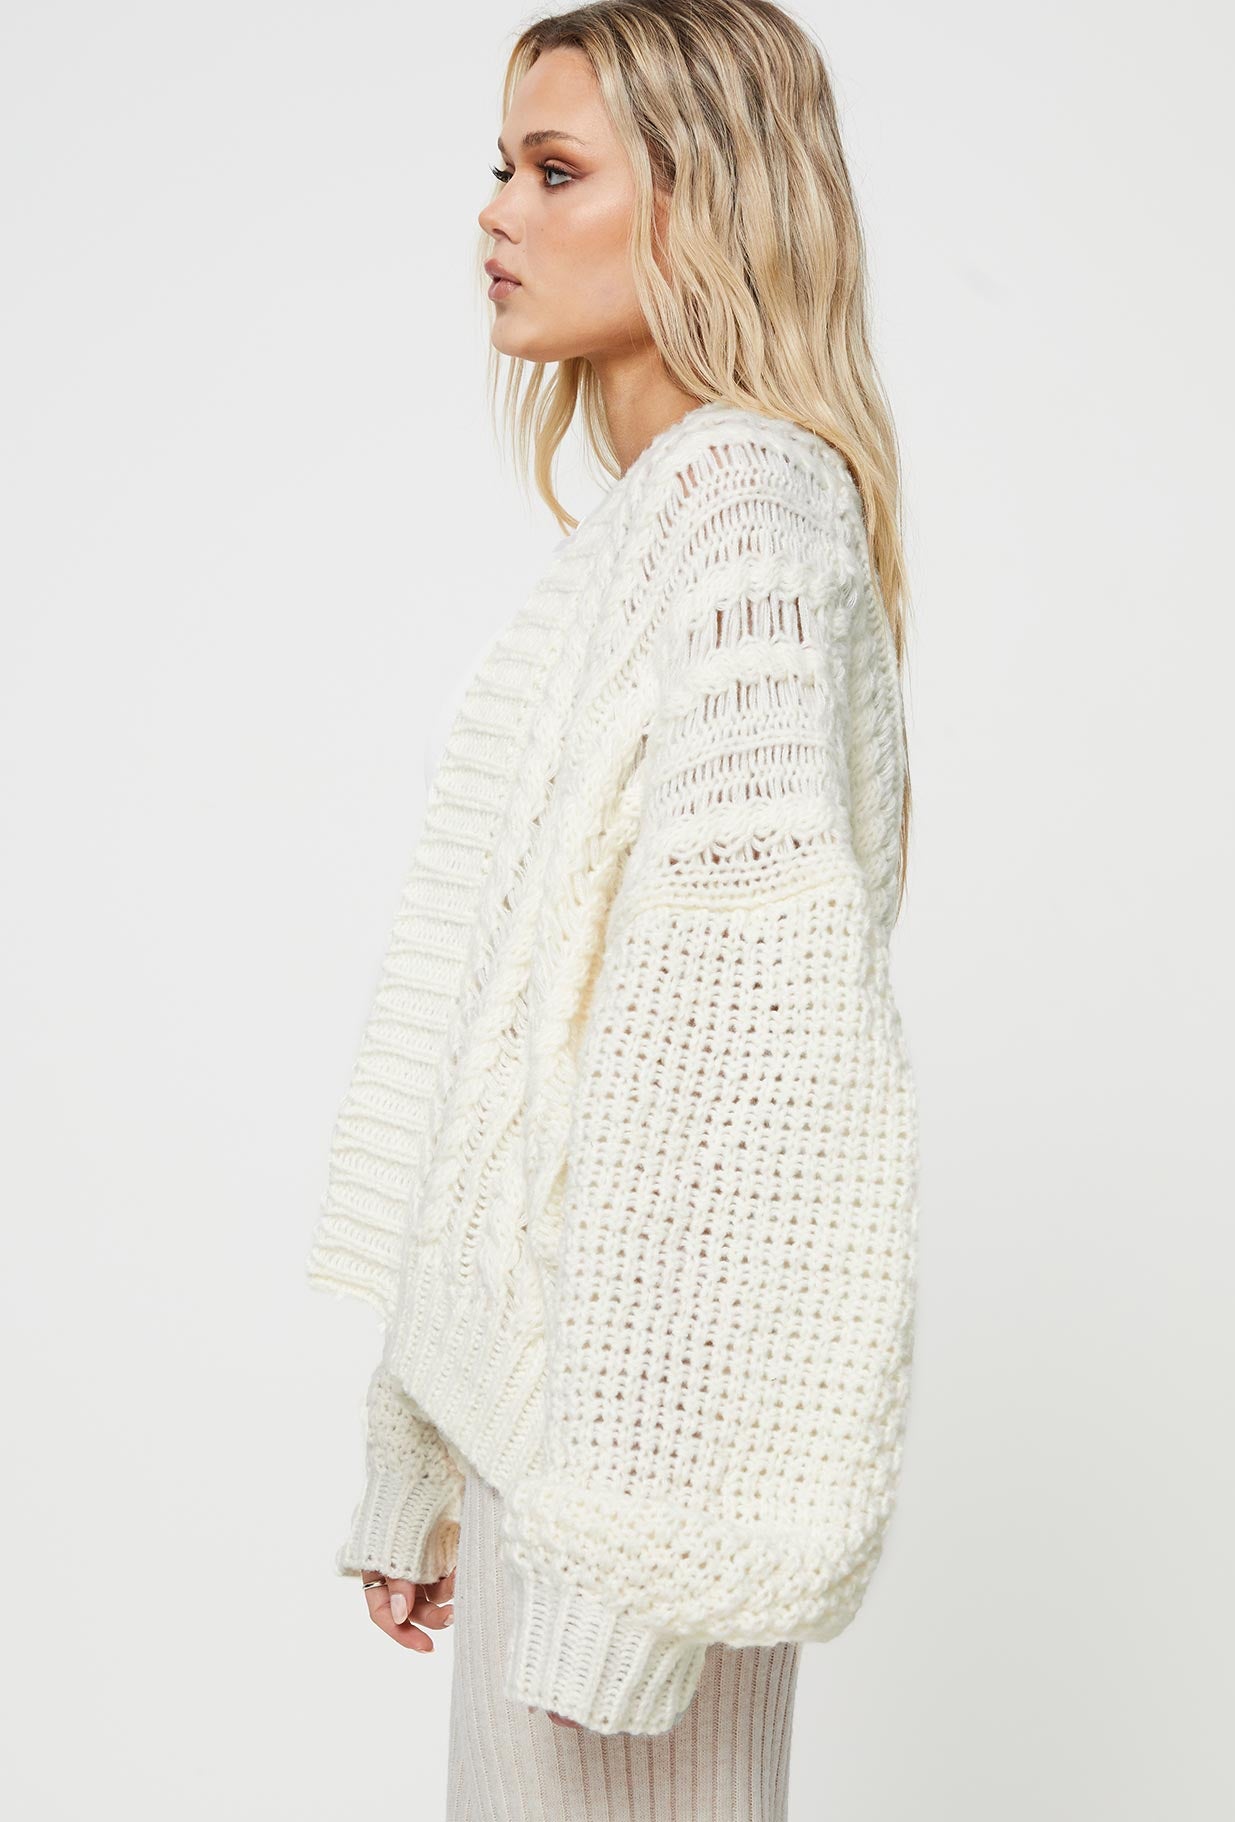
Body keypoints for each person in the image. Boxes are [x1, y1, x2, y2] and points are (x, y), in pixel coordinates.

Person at [305, 4, 920, 1815]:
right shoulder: (651, 531)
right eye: (502, 166)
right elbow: (519, 1055)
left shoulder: (740, 514)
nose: (495, 212)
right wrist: (422, 1440)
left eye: (555, 171)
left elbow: (747, 1083)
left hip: (633, 1483)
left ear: (705, 203)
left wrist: (631, 1572)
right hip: (566, 1452)